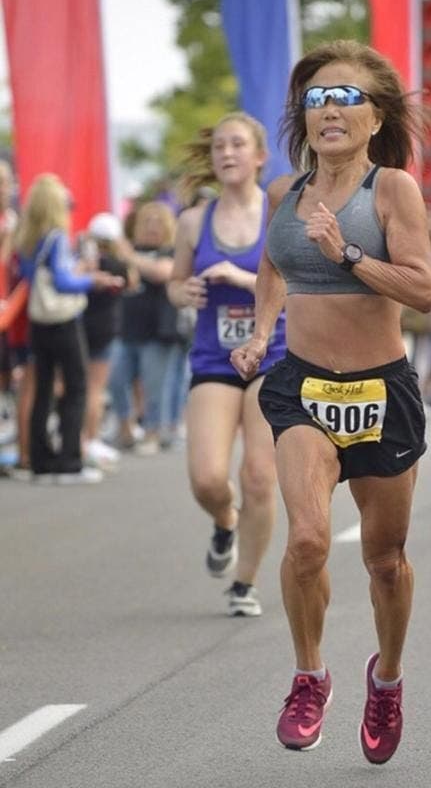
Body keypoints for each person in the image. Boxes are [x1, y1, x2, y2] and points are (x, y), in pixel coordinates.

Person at [230, 40, 431, 763]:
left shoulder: (392, 191)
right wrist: (259, 336)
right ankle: (309, 675)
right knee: (309, 541)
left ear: (375, 117)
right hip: (303, 388)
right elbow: (271, 270)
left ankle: (386, 678)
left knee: (385, 559)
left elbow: (423, 292)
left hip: (382, 391)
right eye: (317, 98)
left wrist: (347, 253)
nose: (329, 110)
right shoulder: (285, 193)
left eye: (346, 97)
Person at [168, 112, 286, 617]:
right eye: (219, 146)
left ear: (259, 155)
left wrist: (242, 281)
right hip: (215, 357)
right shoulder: (194, 221)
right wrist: (185, 290)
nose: (227, 153)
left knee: (260, 474)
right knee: (208, 478)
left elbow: (295, 287)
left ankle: (244, 583)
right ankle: (224, 521)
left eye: (238, 144)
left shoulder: (279, 215)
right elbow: (174, 283)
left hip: (271, 353)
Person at [15, 174, 123, 483]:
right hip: (63, 321)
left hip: (39, 322)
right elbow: (63, 282)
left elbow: (37, 277)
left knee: (44, 389)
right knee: (76, 387)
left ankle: (39, 458)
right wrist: (92, 280)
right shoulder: (57, 236)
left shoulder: (27, 237)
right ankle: (69, 460)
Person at [108, 201, 178, 455]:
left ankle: (153, 432)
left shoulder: (170, 252)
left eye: (158, 222)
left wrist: (129, 257)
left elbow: (162, 273)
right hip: (125, 329)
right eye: (147, 222)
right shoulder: (128, 251)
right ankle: (125, 426)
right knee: (116, 379)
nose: (151, 227)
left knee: (153, 386)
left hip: (157, 332)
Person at [81, 212, 134, 468]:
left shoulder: (86, 261)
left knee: (81, 386)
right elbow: (132, 282)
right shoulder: (116, 262)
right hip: (105, 329)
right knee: (96, 388)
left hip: (82, 326)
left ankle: (82, 438)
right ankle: (90, 439)